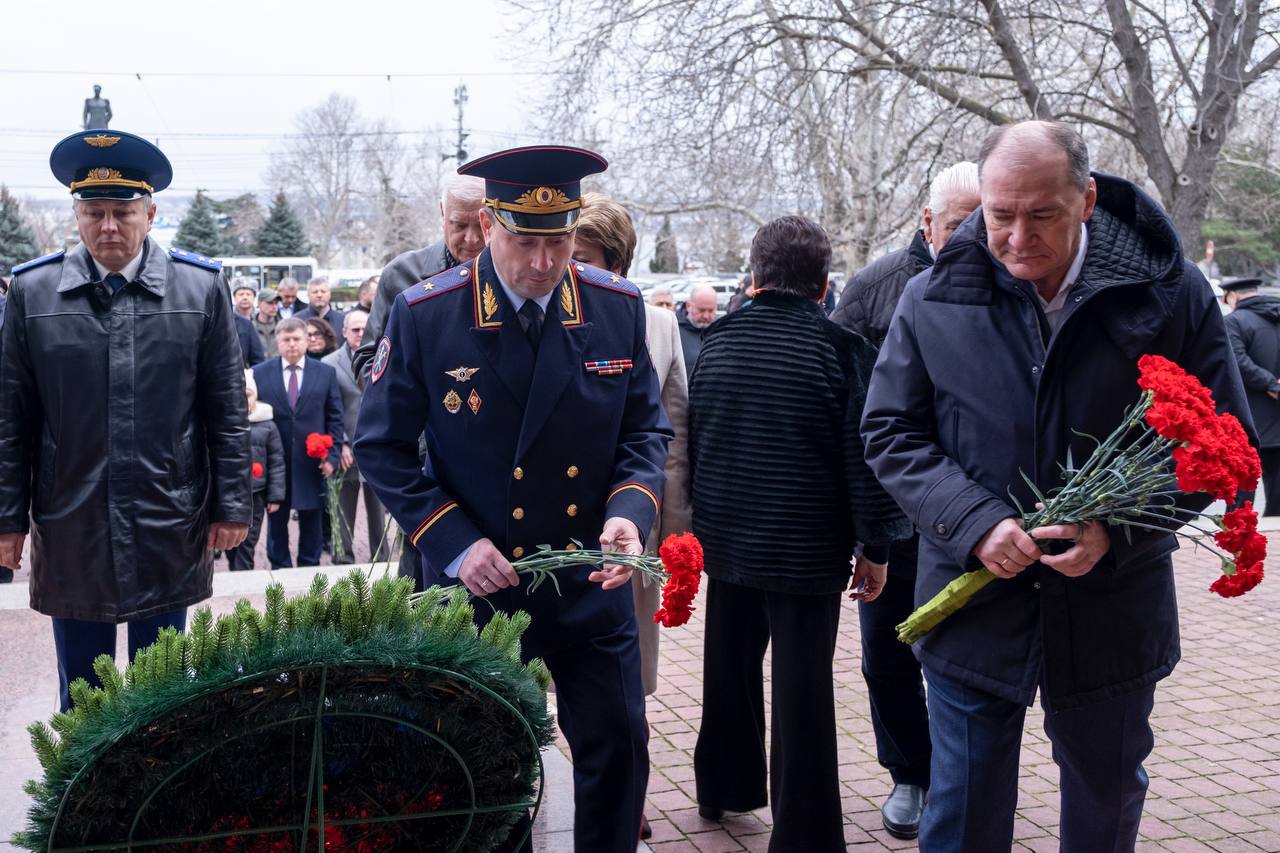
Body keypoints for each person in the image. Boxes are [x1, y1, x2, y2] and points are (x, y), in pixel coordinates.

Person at [861, 121, 1252, 853]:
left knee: (1105, 803)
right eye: (999, 214)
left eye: (1041, 214)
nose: (1015, 237)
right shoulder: (933, 294)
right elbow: (890, 430)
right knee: (965, 808)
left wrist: (1119, 527)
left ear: (1088, 199)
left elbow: (1222, 439)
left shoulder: (1167, 293)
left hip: (1112, 608)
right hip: (973, 608)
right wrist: (974, 520)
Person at [356, 145, 671, 853]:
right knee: (488, 772)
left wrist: (631, 512)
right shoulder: (428, 314)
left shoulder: (614, 306)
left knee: (619, 753)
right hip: (481, 588)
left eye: (556, 239)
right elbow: (379, 445)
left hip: (589, 581)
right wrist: (454, 542)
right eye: (524, 240)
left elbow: (645, 428)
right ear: (488, 225)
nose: (541, 261)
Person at [0, 129, 250, 711]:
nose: (108, 226)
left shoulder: (200, 286)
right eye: (94, 212)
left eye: (123, 212)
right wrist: (7, 520)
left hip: (168, 513)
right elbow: (11, 419)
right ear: (76, 214)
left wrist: (232, 505)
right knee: (83, 695)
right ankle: (83, 798)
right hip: (71, 517)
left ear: (151, 212)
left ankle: (157, 799)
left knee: (161, 695)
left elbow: (226, 411)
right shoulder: (33, 292)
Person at [688, 215, 908, 852]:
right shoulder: (840, 352)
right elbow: (862, 461)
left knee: (727, 668)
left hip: (727, 538)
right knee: (803, 687)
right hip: (807, 548)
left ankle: (723, 787)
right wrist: (876, 549)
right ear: (823, 284)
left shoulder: (718, 343)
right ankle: (804, 833)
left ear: (756, 276)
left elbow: (701, 444)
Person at [831, 159, 980, 839]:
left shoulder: (1009, 282)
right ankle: (909, 773)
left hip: (977, 509)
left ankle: (960, 772)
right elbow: (840, 403)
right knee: (887, 649)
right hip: (892, 513)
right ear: (927, 221)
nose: (975, 235)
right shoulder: (874, 289)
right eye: (959, 224)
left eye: (984, 219)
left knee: (969, 649)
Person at [574, 191, 692, 841]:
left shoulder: (657, 323)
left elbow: (671, 436)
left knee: (628, 685)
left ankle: (629, 795)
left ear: (616, 262)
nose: (573, 268)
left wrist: (668, 534)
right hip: (557, 528)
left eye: (588, 257)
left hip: (631, 530)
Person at [351, 173, 487, 589]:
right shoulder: (403, 275)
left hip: (491, 463)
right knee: (426, 591)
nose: (469, 239)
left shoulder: (513, 274)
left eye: (479, 225)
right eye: (457, 225)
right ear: (441, 215)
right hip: (425, 467)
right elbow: (368, 363)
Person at [833, 161, 980, 348]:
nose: (971, 243)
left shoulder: (1015, 284)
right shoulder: (869, 289)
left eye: (982, 230)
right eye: (957, 229)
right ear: (928, 223)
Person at [252, 318, 344, 569]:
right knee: (276, 519)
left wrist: (333, 456)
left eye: (296, 339)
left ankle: (309, 565)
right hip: (276, 462)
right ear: (278, 342)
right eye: (286, 340)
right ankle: (279, 566)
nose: (291, 344)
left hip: (312, 462)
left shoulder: (325, 373)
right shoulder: (260, 373)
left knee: (312, 518)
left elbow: (335, 417)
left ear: (306, 340)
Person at [323, 310, 386, 561]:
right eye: (355, 329)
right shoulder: (328, 364)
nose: (360, 334)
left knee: (379, 510)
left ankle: (381, 558)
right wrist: (341, 444)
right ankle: (343, 558)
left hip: (377, 447)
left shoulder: (384, 357)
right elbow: (328, 408)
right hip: (346, 448)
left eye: (364, 329)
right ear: (344, 332)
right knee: (343, 508)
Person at [1222, 277, 1280, 514]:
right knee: (1278, 493)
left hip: (1249, 420)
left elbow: (1237, 361)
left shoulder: (1234, 321)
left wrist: (1271, 384)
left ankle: (1239, 543)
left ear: (1233, 296)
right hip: (1276, 421)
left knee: (1241, 496)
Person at [226, 370, 285, 571]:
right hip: (230, 493)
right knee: (230, 543)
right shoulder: (224, 422)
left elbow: (277, 461)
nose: (244, 398)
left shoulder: (267, 425)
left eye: (248, 394)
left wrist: (275, 496)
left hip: (255, 495)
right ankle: (236, 572)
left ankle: (242, 582)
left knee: (247, 542)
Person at [676, 283, 718, 380]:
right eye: (701, 310)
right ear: (688, 306)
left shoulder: (720, 330)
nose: (706, 316)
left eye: (711, 311)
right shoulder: (674, 330)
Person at [254, 287, 280, 358]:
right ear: (259, 303)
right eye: (270, 303)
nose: (274, 307)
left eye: (276, 303)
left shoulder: (283, 327)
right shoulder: (249, 327)